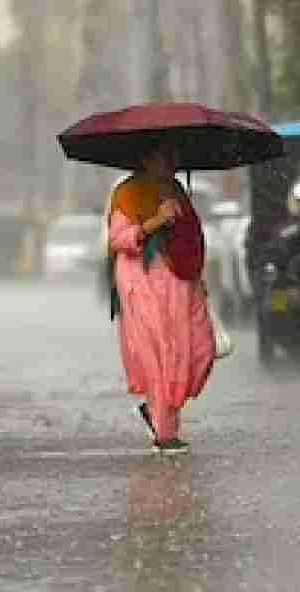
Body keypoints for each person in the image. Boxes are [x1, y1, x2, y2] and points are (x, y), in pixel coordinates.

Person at [106, 140, 215, 455]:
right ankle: (165, 433)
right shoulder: (127, 193)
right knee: (159, 356)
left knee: (199, 350)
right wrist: (155, 221)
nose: (171, 161)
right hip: (143, 284)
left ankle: (158, 410)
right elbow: (118, 239)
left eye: (173, 155)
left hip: (182, 283)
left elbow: (189, 240)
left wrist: (197, 276)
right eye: (164, 155)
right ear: (145, 158)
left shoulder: (178, 189)